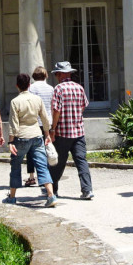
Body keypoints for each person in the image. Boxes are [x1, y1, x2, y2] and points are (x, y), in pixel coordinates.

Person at [3, 73, 57, 207]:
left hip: (21, 137)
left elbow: (13, 123)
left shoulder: (15, 101)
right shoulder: (37, 99)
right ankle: (51, 195)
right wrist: (47, 134)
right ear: (29, 85)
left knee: (15, 166)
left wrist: (10, 141)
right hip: (37, 135)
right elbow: (44, 118)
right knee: (42, 165)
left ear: (17, 86)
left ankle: (12, 196)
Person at [48, 61, 93, 200]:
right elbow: (83, 106)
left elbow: (56, 110)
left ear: (61, 74)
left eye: (56, 74)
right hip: (78, 131)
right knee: (81, 160)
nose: (56, 76)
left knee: (58, 162)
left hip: (62, 132)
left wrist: (53, 129)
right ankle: (87, 190)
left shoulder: (59, 89)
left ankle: (53, 191)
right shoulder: (79, 87)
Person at [28, 66, 55, 186]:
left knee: (31, 150)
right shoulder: (51, 88)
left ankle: (32, 176)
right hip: (47, 122)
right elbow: (53, 106)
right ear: (45, 75)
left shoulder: (31, 88)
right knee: (46, 148)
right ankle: (47, 173)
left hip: (34, 122)